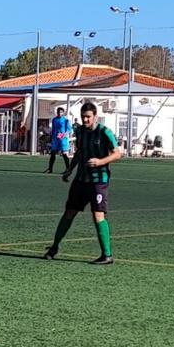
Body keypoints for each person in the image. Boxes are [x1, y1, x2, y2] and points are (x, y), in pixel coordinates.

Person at [44, 102, 122, 265]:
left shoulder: (104, 132)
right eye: (83, 117)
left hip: (98, 181)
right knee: (69, 212)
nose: (85, 120)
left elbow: (117, 154)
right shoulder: (80, 131)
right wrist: (70, 170)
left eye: (88, 117)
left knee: (97, 215)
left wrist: (101, 161)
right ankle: (54, 247)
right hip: (80, 179)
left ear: (95, 116)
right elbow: (79, 152)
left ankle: (107, 255)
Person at [45, 107, 72, 173]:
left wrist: (64, 134)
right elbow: (53, 129)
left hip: (63, 139)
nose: (59, 113)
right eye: (58, 112)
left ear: (63, 113)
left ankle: (68, 169)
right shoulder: (54, 120)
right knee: (53, 153)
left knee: (64, 154)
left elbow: (69, 129)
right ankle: (50, 169)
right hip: (55, 139)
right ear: (56, 112)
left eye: (61, 112)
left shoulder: (66, 120)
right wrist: (52, 137)